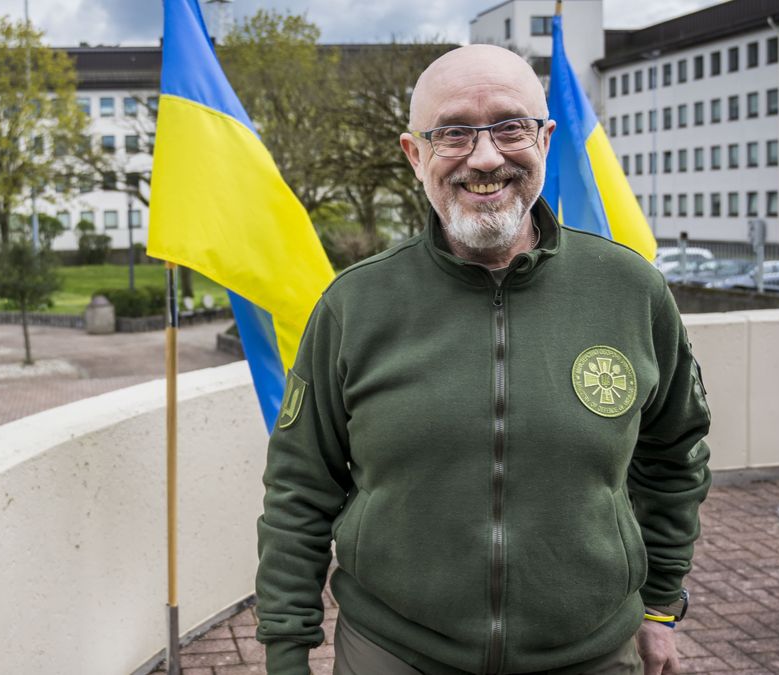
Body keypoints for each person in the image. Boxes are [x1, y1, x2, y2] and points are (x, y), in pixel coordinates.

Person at [255, 45, 712, 675]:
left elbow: (676, 457)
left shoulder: (631, 291)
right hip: (396, 653)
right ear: (415, 155)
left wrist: (660, 606)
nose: (487, 156)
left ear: (546, 140)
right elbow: (300, 490)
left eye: (510, 125)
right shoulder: (352, 307)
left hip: (590, 656)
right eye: (454, 133)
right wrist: (285, 651)